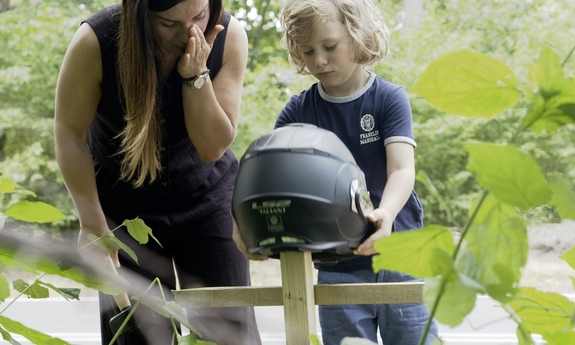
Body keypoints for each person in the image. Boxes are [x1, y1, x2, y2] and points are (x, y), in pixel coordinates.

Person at [54, 0, 261, 344]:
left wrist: (196, 74)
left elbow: (212, 147)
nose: (189, 33)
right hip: (123, 206)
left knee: (229, 331)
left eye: (198, 16)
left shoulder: (230, 35)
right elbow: (69, 133)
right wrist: (92, 223)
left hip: (208, 197)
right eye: (169, 24)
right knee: (137, 335)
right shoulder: (96, 40)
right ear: (141, 14)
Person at [275, 0, 439, 344]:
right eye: (307, 51)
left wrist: (387, 214)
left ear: (357, 34)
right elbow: (271, 175)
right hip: (337, 269)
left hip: (401, 259)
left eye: (330, 47)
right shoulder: (297, 111)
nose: (319, 60)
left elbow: (401, 169)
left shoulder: (389, 98)